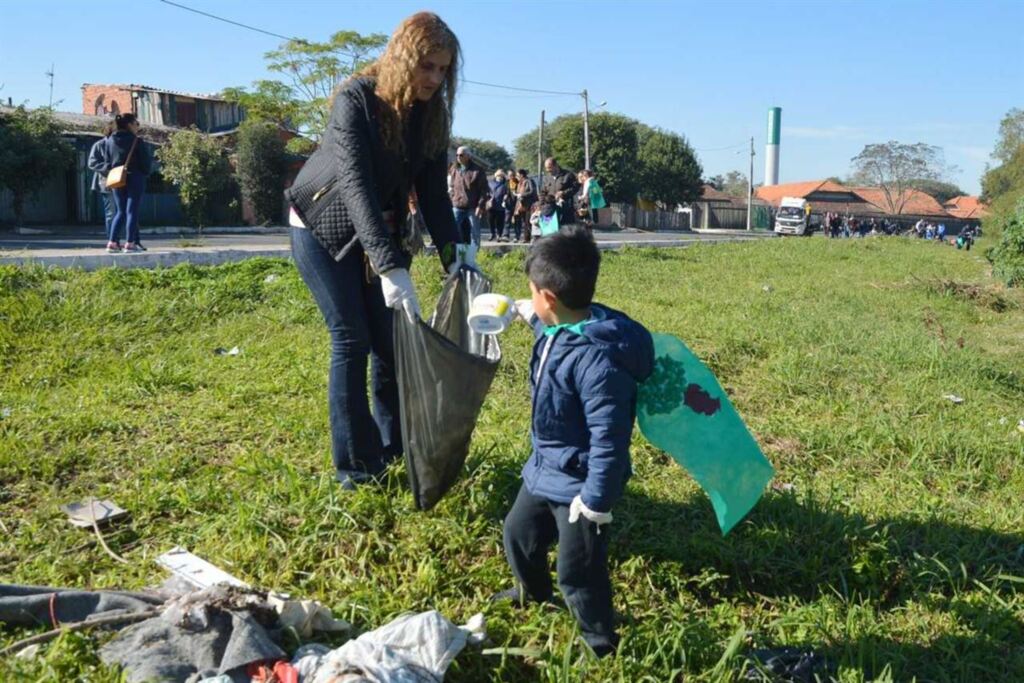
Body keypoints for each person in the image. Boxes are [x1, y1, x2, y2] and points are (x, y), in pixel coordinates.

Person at [284, 12, 463, 490]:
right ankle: (356, 471)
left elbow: (433, 193)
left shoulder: (429, 115)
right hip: (321, 229)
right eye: (427, 66)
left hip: (378, 230)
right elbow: (356, 186)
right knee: (352, 339)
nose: (435, 79)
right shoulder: (356, 100)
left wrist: (455, 254)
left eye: (443, 70)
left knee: (391, 347)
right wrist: (389, 267)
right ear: (404, 59)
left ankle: (396, 450)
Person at [493, 226, 654, 658]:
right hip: (545, 466)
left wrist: (597, 500)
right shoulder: (565, 324)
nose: (530, 301)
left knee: (578, 570)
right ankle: (532, 591)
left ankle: (599, 640)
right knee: (517, 534)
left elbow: (609, 439)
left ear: (550, 297)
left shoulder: (600, 363)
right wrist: (524, 313)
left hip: (582, 485)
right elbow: (551, 334)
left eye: (532, 294)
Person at [106, 113, 153, 253]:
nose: (138, 126)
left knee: (120, 211)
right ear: (130, 125)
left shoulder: (110, 140)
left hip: (117, 177)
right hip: (135, 177)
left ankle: (112, 242)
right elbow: (145, 162)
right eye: (136, 124)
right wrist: (145, 173)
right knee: (132, 211)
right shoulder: (136, 141)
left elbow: (108, 159)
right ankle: (130, 243)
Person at [449, 145, 489, 246]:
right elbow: (452, 186)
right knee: (452, 228)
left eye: (461, 155)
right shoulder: (454, 169)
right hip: (457, 204)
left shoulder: (477, 170)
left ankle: (476, 252)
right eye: (457, 155)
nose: (458, 157)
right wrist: (453, 198)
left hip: (473, 206)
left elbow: (484, 190)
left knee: (475, 231)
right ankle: (457, 250)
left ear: (468, 156)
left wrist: (480, 206)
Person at [87, 122, 117, 251]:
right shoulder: (99, 145)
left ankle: (120, 240)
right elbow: (92, 163)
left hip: (122, 182)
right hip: (107, 182)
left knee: (123, 212)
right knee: (111, 213)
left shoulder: (120, 144)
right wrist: (109, 169)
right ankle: (112, 240)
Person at [541, 157, 579, 226]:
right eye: (546, 168)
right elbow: (543, 192)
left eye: (549, 168)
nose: (547, 170)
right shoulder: (547, 178)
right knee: (552, 232)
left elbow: (575, 188)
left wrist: (563, 193)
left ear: (556, 165)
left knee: (567, 230)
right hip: (551, 209)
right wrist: (541, 205)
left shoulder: (568, 175)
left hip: (566, 208)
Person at [514, 169, 537, 243]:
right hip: (522, 204)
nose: (516, 177)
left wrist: (522, 194)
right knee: (524, 221)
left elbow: (532, 191)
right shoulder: (520, 183)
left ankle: (528, 238)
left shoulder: (529, 181)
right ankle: (526, 238)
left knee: (528, 221)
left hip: (529, 204)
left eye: (517, 175)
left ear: (521, 175)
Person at [488, 169, 509, 242]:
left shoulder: (505, 185)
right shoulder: (490, 183)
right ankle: (492, 233)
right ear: (496, 176)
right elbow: (487, 192)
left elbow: (507, 193)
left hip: (501, 206)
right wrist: (488, 198)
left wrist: (505, 197)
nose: (500, 177)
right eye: (499, 176)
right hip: (492, 205)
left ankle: (499, 235)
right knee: (491, 221)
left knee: (500, 222)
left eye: (501, 176)